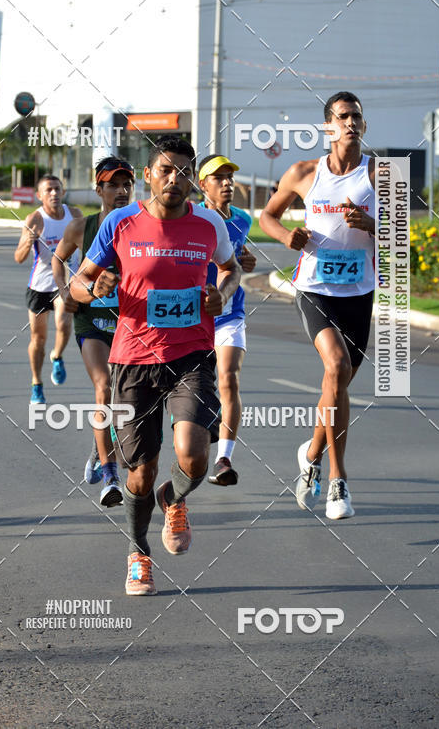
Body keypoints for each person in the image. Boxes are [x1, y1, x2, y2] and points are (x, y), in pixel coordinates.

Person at [70, 136, 240, 595]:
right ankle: (138, 553)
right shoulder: (121, 223)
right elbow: (77, 288)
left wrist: (220, 292)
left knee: (194, 455)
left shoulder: (208, 224)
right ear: (149, 174)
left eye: (184, 171)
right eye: (166, 170)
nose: (175, 179)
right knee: (140, 473)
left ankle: (175, 498)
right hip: (133, 358)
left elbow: (229, 268)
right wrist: (97, 286)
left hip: (192, 353)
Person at [259, 91, 375, 520]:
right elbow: (266, 216)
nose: (350, 122)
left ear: (365, 125)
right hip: (315, 288)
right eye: (342, 117)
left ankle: (309, 456)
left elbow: (401, 235)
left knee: (338, 383)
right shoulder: (304, 172)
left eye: (356, 116)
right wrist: (285, 235)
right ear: (328, 127)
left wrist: (373, 224)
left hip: (359, 293)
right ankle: (338, 480)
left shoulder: (380, 174)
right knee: (336, 367)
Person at [53, 156, 135, 508]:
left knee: (122, 400)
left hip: (129, 323)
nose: (121, 191)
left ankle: (97, 444)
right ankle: (110, 473)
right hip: (91, 320)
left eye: (126, 184)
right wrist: (63, 291)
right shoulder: (80, 228)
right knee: (103, 386)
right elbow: (58, 259)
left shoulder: (139, 227)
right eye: (113, 185)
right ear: (98, 189)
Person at [197, 155, 256, 486]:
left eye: (230, 178)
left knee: (229, 378)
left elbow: (235, 257)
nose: (227, 183)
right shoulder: (192, 219)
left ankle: (224, 459)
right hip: (193, 317)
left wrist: (246, 259)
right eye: (218, 178)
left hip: (230, 313)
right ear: (203, 185)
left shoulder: (243, 220)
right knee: (197, 391)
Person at [14, 175, 80, 404]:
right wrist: (28, 240)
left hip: (66, 283)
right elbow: (19, 258)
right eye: (48, 190)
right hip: (40, 286)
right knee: (38, 338)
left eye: (57, 189)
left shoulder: (75, 215)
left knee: (63, 322)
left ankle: (58, 355)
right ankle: (36, 383)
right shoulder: (34, 219)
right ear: (39, 195)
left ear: (63, 191)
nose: (53, 193)